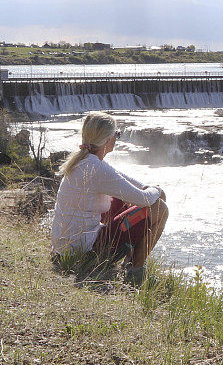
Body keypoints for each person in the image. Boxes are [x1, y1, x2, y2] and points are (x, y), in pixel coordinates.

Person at [51, 111, 169, 283]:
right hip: (85, 253)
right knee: (159, 208)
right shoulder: (96, 169)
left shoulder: (84, 161)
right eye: (117, 134)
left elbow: (124, 181)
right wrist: (158, 190)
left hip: (65, 248)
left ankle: (131, 261)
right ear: (107, 139)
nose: (117, 139)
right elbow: (144, 199)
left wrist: (148, 188)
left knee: (122, 199)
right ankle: (135, 272)